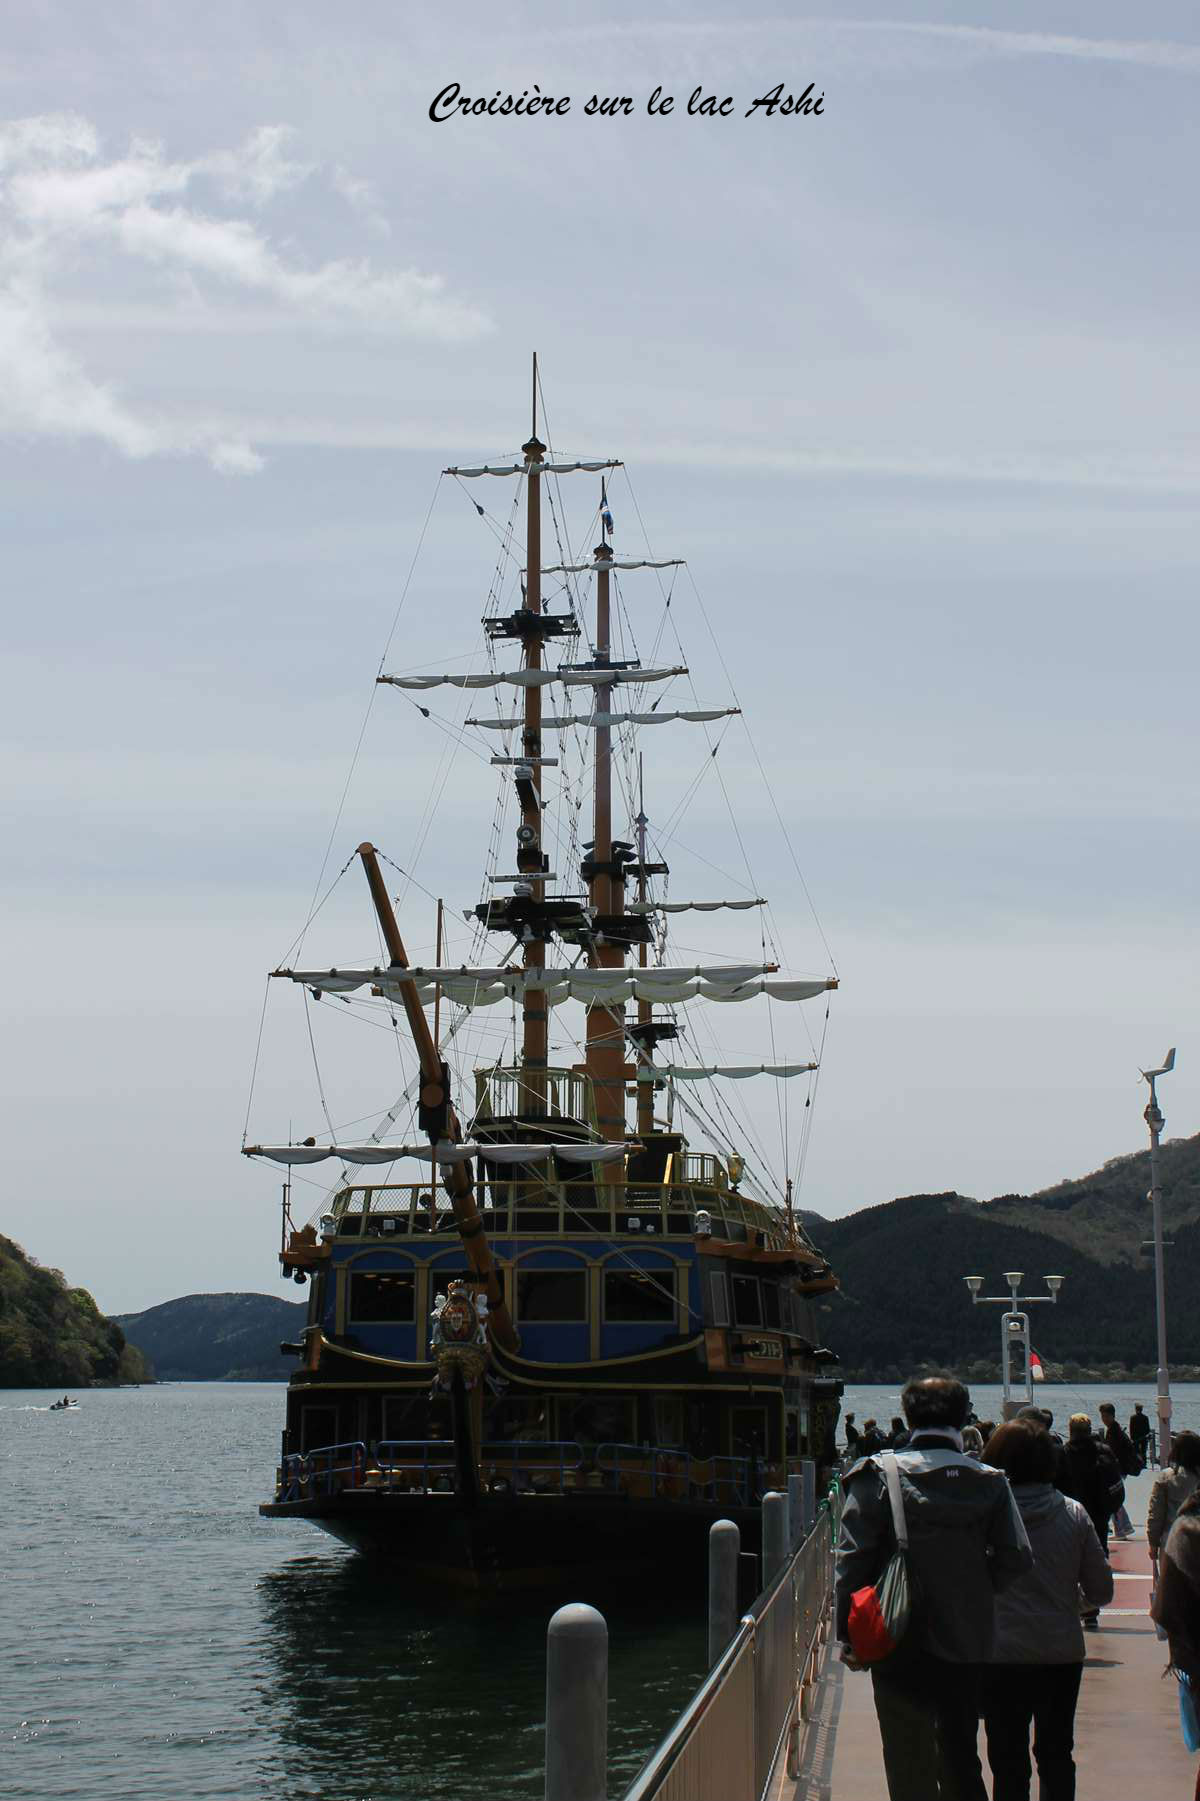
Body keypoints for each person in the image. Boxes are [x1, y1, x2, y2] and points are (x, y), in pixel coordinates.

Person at [835, 1376, 1032, 1801]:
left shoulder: (876, 1475)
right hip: (967, 1640)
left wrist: (847, 1635)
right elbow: (1016, 1556)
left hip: (895, 1638)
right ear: (962, 1417)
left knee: (907, 1757)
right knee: (960, 1750)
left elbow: (852, 1561)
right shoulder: (991, 1481)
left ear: (909, 1415)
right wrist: (976, 1590)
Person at [980, 1419, 1113, 1800]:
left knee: (1007, 1761)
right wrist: (1070, 1606)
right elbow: (1102, 1590)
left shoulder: (984, 1518)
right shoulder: (1074, 1514)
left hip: (1000, 1652)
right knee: (1056, 1754)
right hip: (1060, 1651)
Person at [1061, 1413, 1123, 1557]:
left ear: (1070, 1431)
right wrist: (1110, 1507)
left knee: (1071, 1554)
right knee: (1100, 1550)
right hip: (1099, 1510)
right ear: (1089, 1431)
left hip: (1071, 1512)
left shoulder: (1063, 1453)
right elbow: (1116, 1481)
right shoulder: (1103, 1451)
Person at [1148, 1431, 1200, 1574]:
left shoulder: (1166, 1477)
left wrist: (1153, 1542)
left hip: (1171, 1540)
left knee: (1172, 1589)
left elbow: (1156, 1514)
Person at [1129, 1400, 1152, 1465]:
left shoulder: (1133, 1417)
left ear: (1136, 1409)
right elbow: (1148, 1428)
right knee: (1143, 1451)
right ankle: (1144, 1463)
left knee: (1136, 1451)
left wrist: (1131, 1437)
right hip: (1144, 1437)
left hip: (1135, 1437)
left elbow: (1131, 1428)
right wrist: (1147, 1435)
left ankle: (1137, 1463)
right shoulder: (1145, 1417)